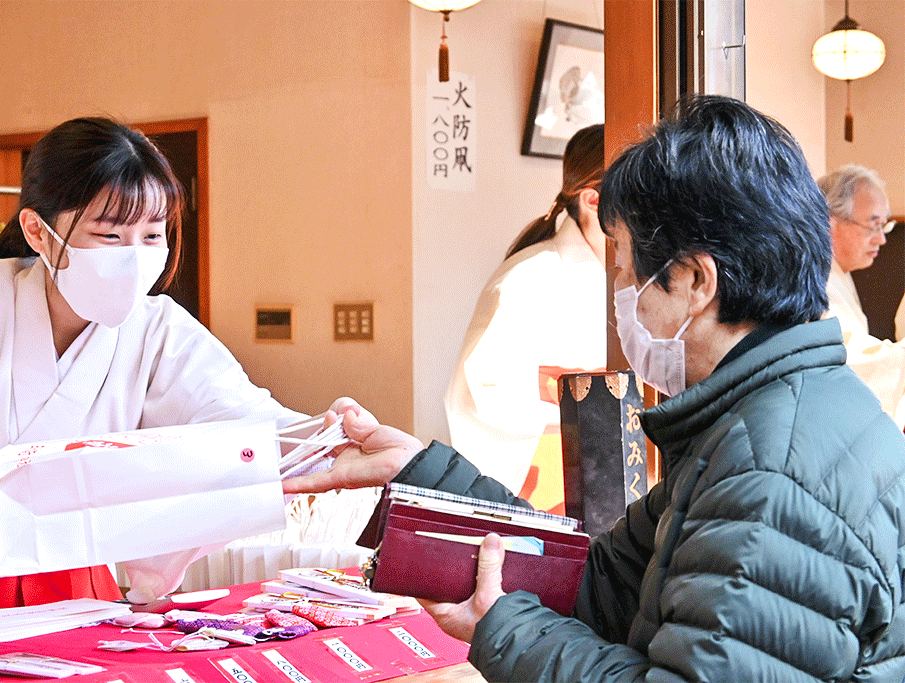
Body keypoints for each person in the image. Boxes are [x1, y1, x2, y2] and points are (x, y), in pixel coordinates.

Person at [286, 96, 905, 681]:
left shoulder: (768, 476)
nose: (622, 299)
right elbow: (601, 579)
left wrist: (504, 629)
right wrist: (424, 476)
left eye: (629, 270)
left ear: (694, 281)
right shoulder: (762, 416)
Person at [0, 117, 307, 620]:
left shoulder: (158, 328)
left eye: (152, 235)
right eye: (110, 235)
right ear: (38, 231)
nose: (135, 257)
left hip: (82, 590)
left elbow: (248, 423)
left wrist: (341, 444)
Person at [445, 124, 606, 494]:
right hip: (548, 481)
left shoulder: (631, 276)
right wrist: (590, 419)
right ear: (592, 200)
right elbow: (477, 397)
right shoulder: (526, 278)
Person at [817, 165, 905, 428]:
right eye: (873, 225)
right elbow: (849, 361)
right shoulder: (815, 278)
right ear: (830, 223)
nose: (881, 240)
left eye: (885, 225)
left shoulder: (839, 272)